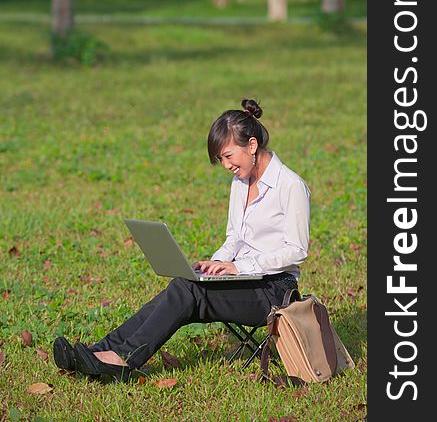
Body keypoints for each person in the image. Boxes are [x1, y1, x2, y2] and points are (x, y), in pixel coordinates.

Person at [53, 99, 311, 382]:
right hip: (246, 280)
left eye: (228, 156)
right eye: (221, 160)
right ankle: (101, 351)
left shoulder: (290, 185)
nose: (226, 166)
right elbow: (234, 237)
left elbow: (296, 251)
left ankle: (124, 360)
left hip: (275, 291)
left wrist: (239, 267)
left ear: (251, 145)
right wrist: (216, 264)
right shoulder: (240, 182)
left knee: (188, 292)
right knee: (184, 285)